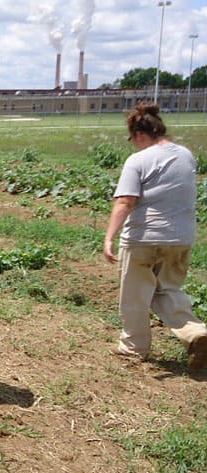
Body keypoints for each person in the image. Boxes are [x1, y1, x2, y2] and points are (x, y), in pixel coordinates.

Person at [102, 102, 207, 369]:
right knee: (166, 289)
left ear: (139, 134)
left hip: (144, 238)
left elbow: (125, 201)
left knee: (135, 294)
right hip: (181, 237)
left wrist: (109, 238)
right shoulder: (186, 155)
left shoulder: (138, 160)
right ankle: (196, 333)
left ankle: (133, 347)